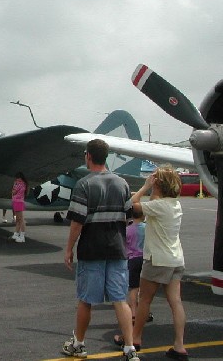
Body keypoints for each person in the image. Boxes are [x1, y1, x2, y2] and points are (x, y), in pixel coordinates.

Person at [62, 139, 139, 361]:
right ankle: (130, 348)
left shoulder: (84, 185)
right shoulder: (122, 183)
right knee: (120, 299)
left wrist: (69, 248)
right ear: (106, 157)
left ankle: (79, 344)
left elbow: (77, 222)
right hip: (117, 250)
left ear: (88, 156)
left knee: (86, 299)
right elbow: (128, 218)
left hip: (91, 250)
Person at [116, 166, 189, 360]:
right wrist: (154, 189)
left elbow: (132, 204)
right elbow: (153, 203)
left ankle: (136, 338)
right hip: (175, 258)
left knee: (145, 299)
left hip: (156, 259)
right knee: (176, 301)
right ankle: (179, 345)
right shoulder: (174, 204)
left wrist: (145, 186)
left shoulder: (158, 206)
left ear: (159, 185)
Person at [10, 172, 28, 243]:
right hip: (19, 201)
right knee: (18, 219)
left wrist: (14, 186)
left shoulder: (18, 183)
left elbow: (13, 192)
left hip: (17, 202)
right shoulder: (23, 183)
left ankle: (22, 236)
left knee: (20, 220)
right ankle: (16, 234)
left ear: (18, 178)